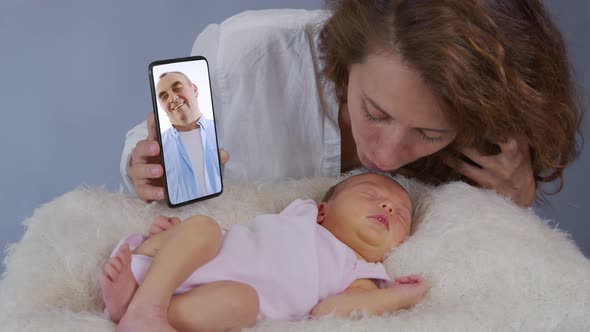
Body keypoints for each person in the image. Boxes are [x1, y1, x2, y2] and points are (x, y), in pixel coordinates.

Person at [122, 1, 583, 207]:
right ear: (344, 58)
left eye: (429, 133)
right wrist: (141, 165)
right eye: (374, 113)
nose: (383, 157)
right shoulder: (246, 56)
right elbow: (152, 149)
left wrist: (513, 205)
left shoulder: (488, 146)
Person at [100, 172, 427, 331]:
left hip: (209, 298)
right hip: (189, 259)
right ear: (324, 210)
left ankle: (136, 308)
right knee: (204, 226)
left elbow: (330, 311)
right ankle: (148, 300)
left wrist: (400, 296)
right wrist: (174, 235)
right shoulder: (303, 214)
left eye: (401, 214)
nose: (387, 206)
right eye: (371, 194)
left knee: (242, 303)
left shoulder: (360, 272)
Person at [155, 71, 221, 204]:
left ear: (195, 90)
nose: (173, 98)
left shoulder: (222, 130)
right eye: (164, 96)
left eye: (177, 88)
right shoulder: (158, 148)